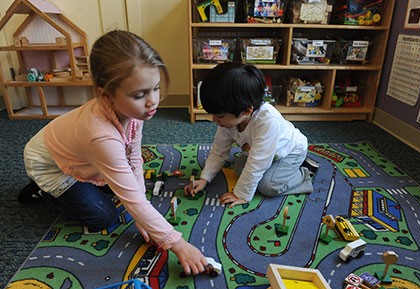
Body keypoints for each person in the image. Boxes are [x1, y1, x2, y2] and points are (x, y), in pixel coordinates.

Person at [19, 30, 207, 275]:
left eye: (156, 89)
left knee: (124, 192)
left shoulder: (133, 111)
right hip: (49, 164)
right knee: (103, 217)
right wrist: (177, 244)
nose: (152, 102)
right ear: (106, 95)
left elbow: (133, 160)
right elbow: (131, 197)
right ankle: (43, 189)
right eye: (140, 95)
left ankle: (86, 184)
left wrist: (141, 215)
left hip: (84, 155)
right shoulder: (100, 136)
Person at [185, 62, 315, 208]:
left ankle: (304, 174)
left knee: (268, 186)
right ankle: (280, 172)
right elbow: (218, 151)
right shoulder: (230, 118)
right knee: (240, 169)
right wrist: (204, 179)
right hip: (263, 153)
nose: (214, 120)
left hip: (291, 152)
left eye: (219, 116)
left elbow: (257, 163)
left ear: (246, 111)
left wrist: (241, 194)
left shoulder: (268, 121)